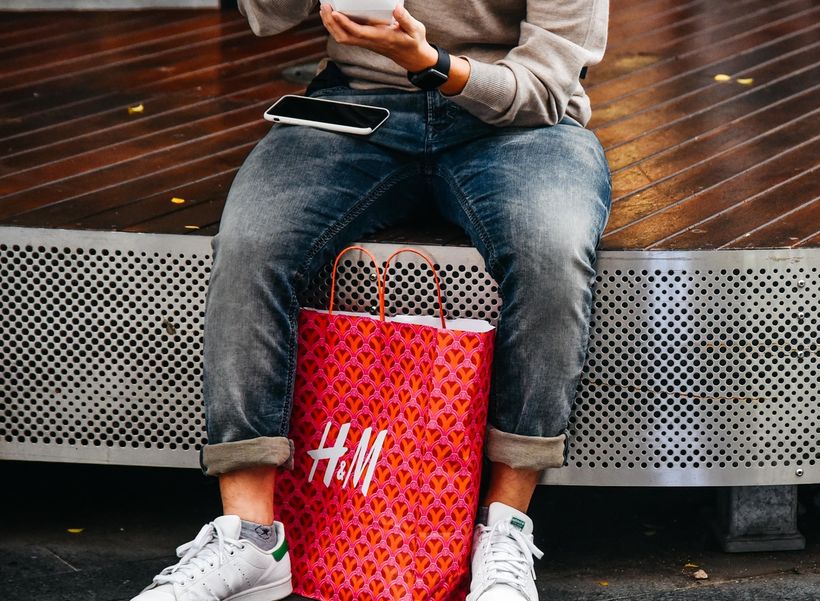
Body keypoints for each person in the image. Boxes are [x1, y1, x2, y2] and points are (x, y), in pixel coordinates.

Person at [130, 1, 610, 600]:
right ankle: (249, 538)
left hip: (516, 121)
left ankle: (505, 529)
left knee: (550, 251)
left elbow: (541, 89)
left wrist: (430, 64)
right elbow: (269, 16)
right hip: (355, 105)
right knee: (253, 242)